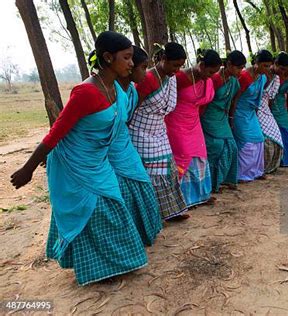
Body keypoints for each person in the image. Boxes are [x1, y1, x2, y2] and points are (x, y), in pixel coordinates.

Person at [10, 31, 150, 285]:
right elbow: (56, 133)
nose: (131, 63)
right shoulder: (85, 92)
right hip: (75, 164)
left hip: (98, 161)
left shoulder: (115, 88)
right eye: (127, 57)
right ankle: (96, 269)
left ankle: (116, 263)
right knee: (92, 210)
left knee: (113, 205)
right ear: (108, 58)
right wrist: (27, 169)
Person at [106, 45, 162, 246]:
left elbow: (127, 121)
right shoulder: (108, 92)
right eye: (143, 67)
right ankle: (126, 239)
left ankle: (140, 233)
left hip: (125, 146)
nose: (145, 73)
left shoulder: (131, 91)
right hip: (109, 149)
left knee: (141, 184)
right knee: (121, 191)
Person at [131, 42, 189, 221]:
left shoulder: (171, 79)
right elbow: (133, 107)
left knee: (168, 168)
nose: (177, 70)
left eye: (180, 66)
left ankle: (171, 211)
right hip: (141, 131)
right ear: (163, 59)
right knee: (153, 173)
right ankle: (154, 215)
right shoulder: (148, 79)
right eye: (174, 65)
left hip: (159, 130)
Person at [165, 49, 221, 207]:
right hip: (177, 122)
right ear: (201, 65)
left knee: (200, 155)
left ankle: (201, 195)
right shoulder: (180, 78)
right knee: (183, 156)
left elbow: (203, 105)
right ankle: (182, 199)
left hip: (194, 122)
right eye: (210, 72)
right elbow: (166, 100)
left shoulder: (207, 80)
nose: (211, 76)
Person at [201, 50, 246, 193]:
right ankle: (213, 183)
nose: (241, 71)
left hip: (222, 118)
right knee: (217, 147)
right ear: (229, 64)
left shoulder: (233, 81)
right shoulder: (215, 79)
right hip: (209, 116)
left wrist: (231, 118)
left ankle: (226, 180)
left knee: (232, 146)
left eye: (242, 68)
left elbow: (234, 100)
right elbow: (205, 101)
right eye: (238, 67)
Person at [232, 49, 272, 181]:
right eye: (264, 65)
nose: (267, 68)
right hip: (240, 111)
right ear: (256, 63)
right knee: (246, 141)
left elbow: (258, 97)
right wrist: (231, 117)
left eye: (269, 65)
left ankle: (256, 171)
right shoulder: (244, 76)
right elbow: (235, 98)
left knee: (259, 138)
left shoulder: (263, 78)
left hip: (251, 112)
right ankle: (242, 174)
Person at [257, 52, 287, 174]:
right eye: (281, 68)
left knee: (276, 136)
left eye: (285, 70)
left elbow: (270, 100)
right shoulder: (261, 76)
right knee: (266, 140)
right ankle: (261, 167)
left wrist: (268, 114)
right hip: (254, 107)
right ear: (274, 64)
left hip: (265, 109)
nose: (282, 71)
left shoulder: (277, 79)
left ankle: (270, 167)